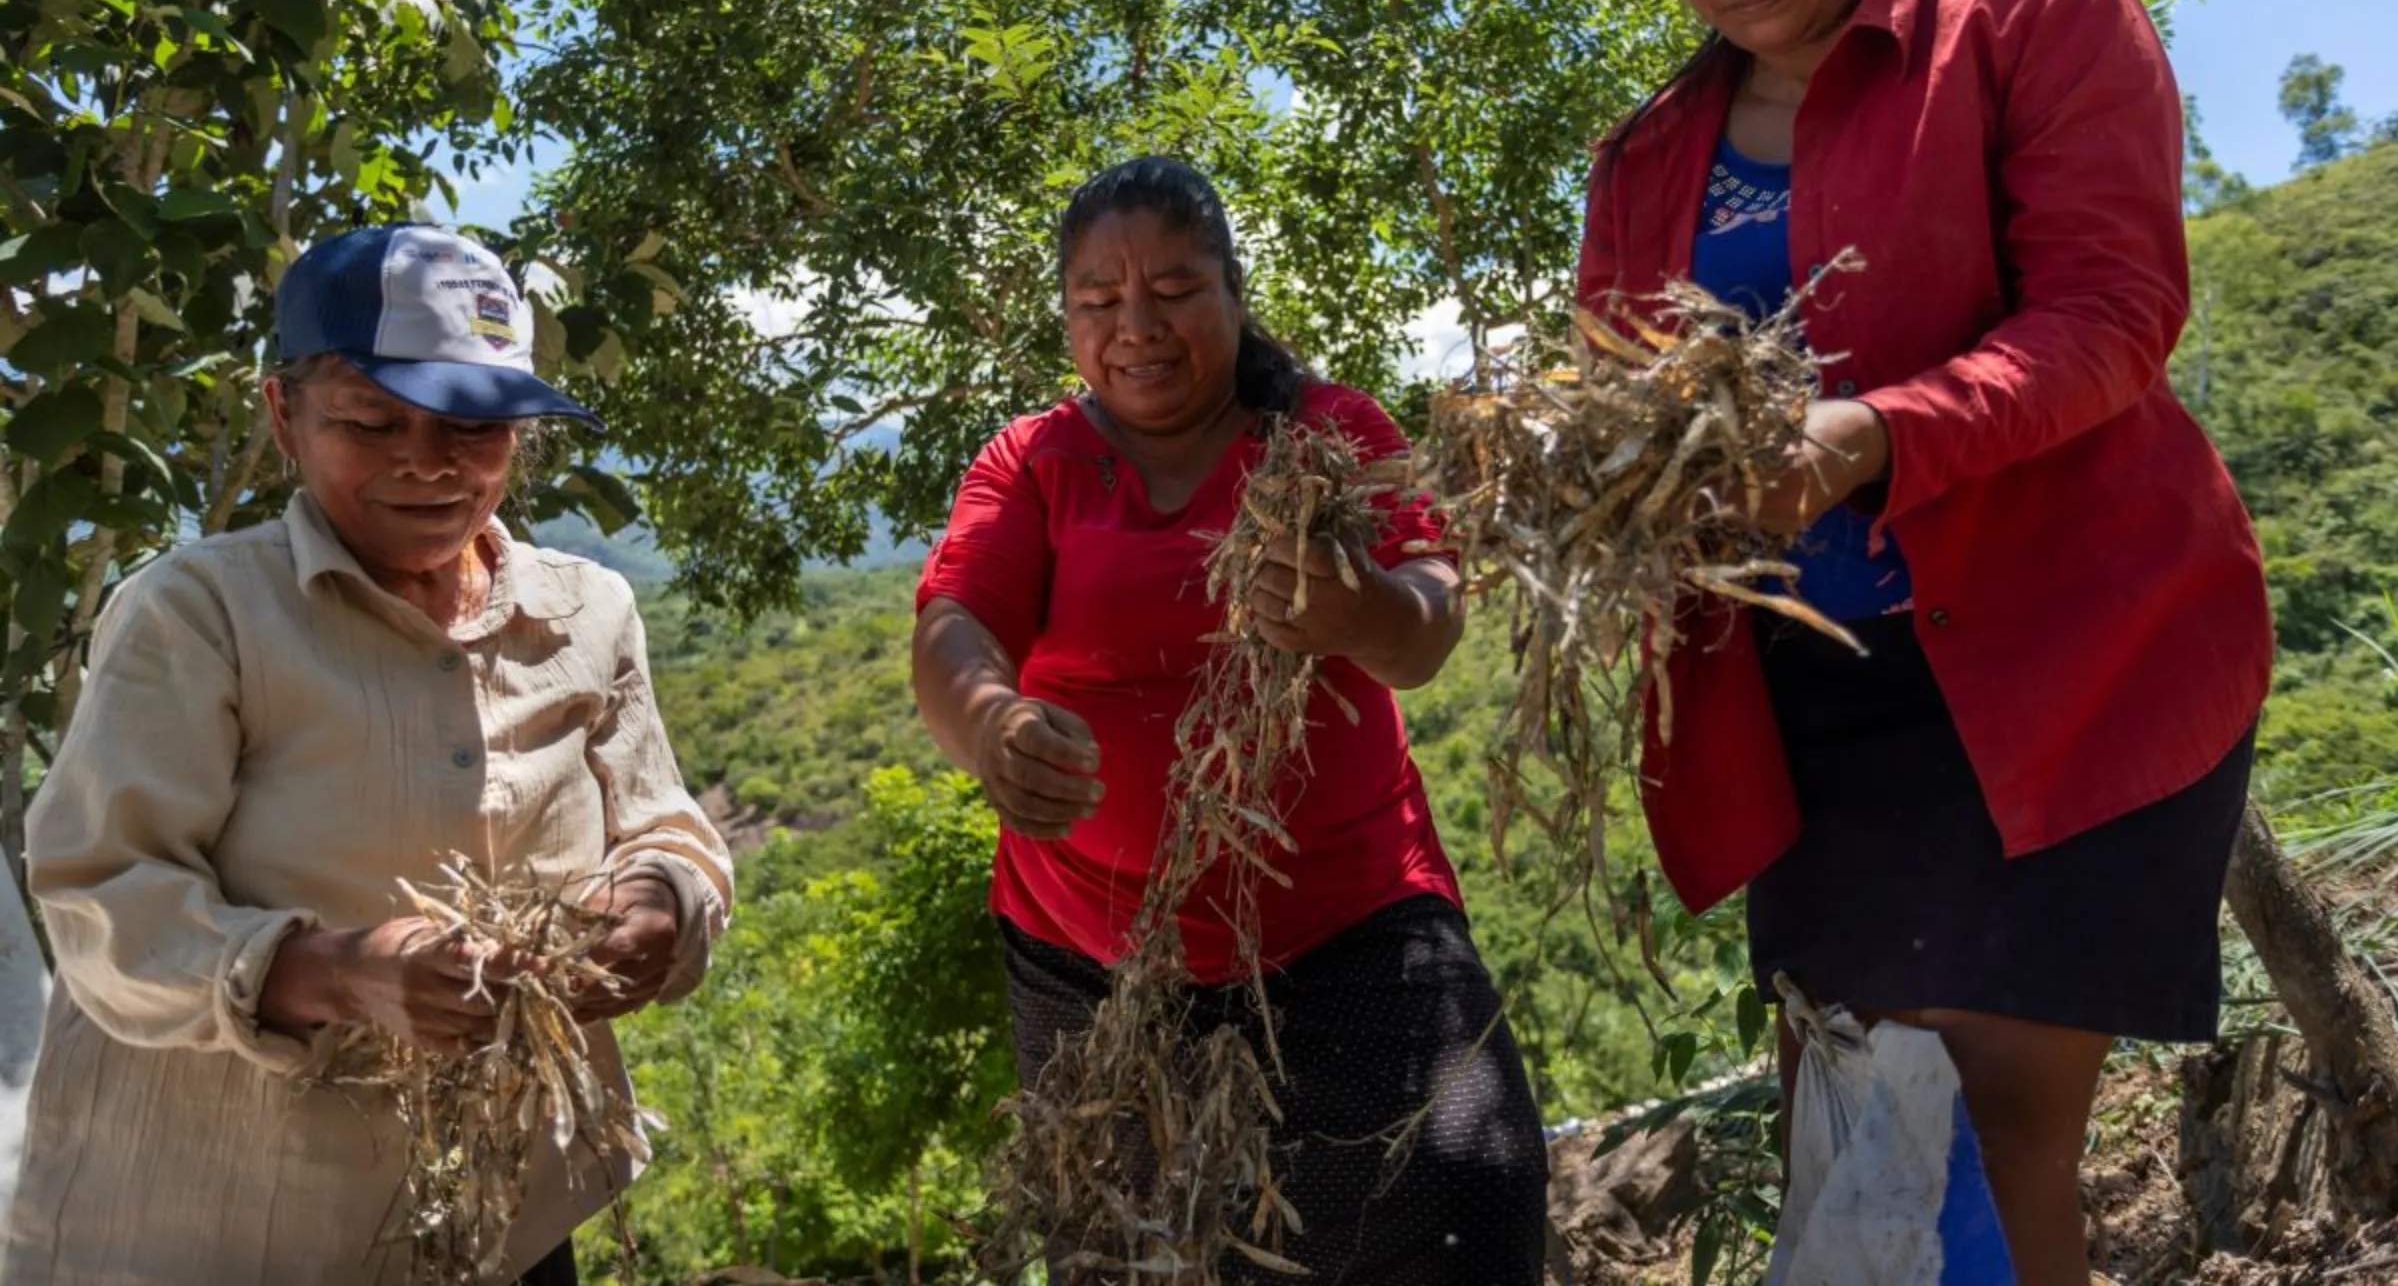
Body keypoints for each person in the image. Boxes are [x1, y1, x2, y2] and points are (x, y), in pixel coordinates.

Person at [1581, 0, 2274, 1285]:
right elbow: (1630, 420)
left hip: (2067, 664)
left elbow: (2109, 316)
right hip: (1807, 708)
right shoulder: (1644, 166)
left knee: (1985, 1126)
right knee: (1871, 1120)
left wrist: (1862, 437)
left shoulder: (2036, 20)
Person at [4, 224, 733, 1286]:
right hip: (233, 1220)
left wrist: (660, 901)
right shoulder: (200, 614)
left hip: (503, 1209)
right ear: (283, 416)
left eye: (474, 427)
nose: (428, 461)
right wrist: (337, 972)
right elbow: (96, 901)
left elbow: (666, 823)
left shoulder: (586, 611)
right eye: (371, 420)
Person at [912, 156, 1550, 1283]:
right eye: (1098, 302)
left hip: (1349, 930)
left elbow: (1430, 623)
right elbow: (956, 623)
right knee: (1140, 1249)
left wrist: (1358, 607)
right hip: (1095, 963)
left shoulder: (1327, 434)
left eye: (1173, 289)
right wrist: (992, 723)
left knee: (1462, 1179)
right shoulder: (1035, 460)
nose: (1135, 327)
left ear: (1233, 291)